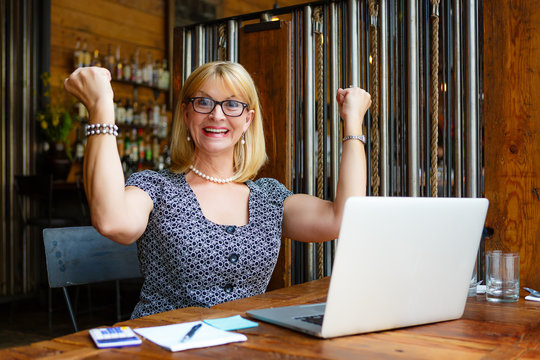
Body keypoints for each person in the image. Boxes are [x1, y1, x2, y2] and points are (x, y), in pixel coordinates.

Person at [64, 61, 371, 319]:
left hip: (243, 346)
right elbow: (112, 221)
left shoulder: (270, 197)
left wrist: (353, 122)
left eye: (233, 104)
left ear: (248, 120)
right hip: (162, 347)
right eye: (204, 101)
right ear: (186, 113)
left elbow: (342, 218)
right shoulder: (156, 188)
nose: (217, 115)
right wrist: (101, 107)